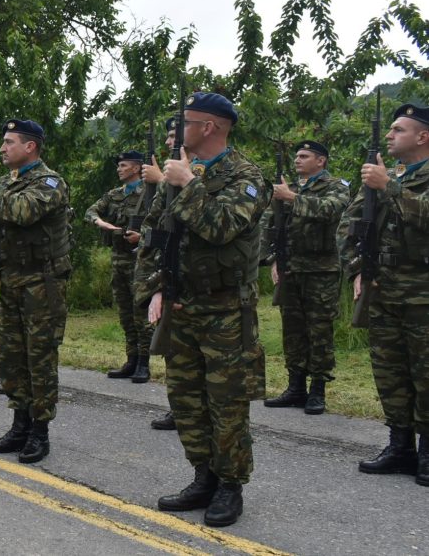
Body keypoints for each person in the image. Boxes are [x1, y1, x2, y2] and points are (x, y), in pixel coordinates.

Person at [136, 93, 269, 527]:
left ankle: (230, 486)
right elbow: (155, 235)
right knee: (186, 398)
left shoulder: (246, 177)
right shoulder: (182, 172)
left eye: (186, 122)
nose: (178, 131)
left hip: (226, 307)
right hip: (181, 302)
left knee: (226, 403)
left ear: (210, 126)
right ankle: (203, 476)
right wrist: (155, 288)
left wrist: (188, 185)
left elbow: (223, 227)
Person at [338, 103, 429, 486]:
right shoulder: (386, 176)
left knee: (425, 372)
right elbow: (349, 224)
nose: (390, 136)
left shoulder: (397, 181)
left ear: (423, 136)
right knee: (389, 371)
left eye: (399, 130)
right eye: (390, 130)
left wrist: (388, 187)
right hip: (383, 289)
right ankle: (400, 444)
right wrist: (358, 267)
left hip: (423, 294)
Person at [0, 119, 71, 464]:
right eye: (1, 142)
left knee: (39, 359)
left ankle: (39, 432)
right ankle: (19, 425)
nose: (2, 149)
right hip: (13, 280)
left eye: (9, 142)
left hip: (42, 284)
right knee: (12, 357)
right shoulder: (8, 182)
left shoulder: (49, 182)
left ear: (30, 146)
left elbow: (24, 211)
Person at [263, 141, 349, 415]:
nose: (298, 160)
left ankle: (318, 389)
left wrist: (290, 198)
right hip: (291, 268)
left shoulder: (336, 186)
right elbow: (271, 225)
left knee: (319, 330)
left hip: (321, 269)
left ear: (320, 161)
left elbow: (330, 210)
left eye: (304, 156)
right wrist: (273, 259)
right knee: (293, 329)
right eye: (297, 156)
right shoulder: (291, 189)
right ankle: (295, 386)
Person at [85, 150, 151, 382]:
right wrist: (102, 223)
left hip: (141, 260)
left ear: (136, 168)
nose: (119, 169)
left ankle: (144, 362)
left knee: (141, 312)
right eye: (119, 165)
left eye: (123, 165)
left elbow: (163, 224)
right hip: (118, 259)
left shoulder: (150, 192)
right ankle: (131, 359)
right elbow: (90, 211)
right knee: (125, 313)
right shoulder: (114, 195)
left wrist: (141, 237)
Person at [137, 116, 181, 431]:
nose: (168, 143)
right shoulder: (168, 179)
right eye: (166, 137)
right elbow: (154, 230)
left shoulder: (223, 173)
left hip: (210, 289)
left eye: (174, 136)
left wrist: (163, 181)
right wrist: (156, 284)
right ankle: (179, 407)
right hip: (171, 277)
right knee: (174, 353)